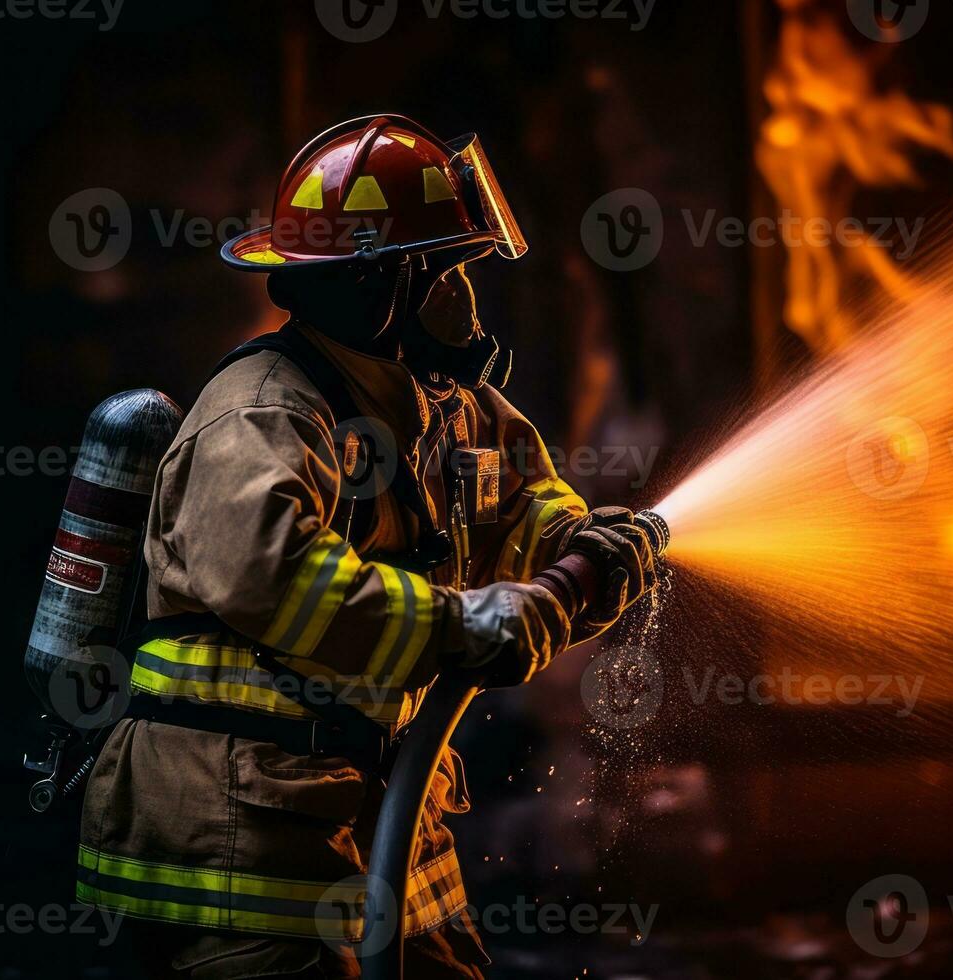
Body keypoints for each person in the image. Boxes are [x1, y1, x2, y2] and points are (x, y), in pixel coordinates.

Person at [76, 114, 658, 978]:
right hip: (243, 844)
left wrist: (583, 546)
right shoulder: (265, 411)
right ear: (385, 286)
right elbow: (280, 582)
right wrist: (468, 623)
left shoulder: (437, 398)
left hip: (381, 821)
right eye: (447, 269)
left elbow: (518, 505)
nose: (464, 293)